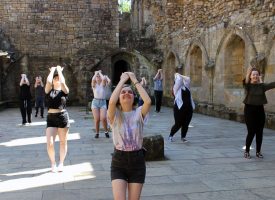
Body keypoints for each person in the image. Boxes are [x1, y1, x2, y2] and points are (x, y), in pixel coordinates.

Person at [107, 72, 151, 200]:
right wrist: (122, 81)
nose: (126, 93)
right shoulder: (114, 115)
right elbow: (111, 102)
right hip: (118, 161)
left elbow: (148, 101)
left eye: (130, 92)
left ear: (134, 98)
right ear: (119, 99)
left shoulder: (138, 113)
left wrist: (133, 79)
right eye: (123, 92)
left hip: (137, 161)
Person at [243, 66, 275, 159]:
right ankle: (247, 151)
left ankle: (258, 152)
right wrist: (250, 70)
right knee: (251, 132)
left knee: (259, 132)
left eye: (257, 75)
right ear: (250, 76)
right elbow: (245, 80)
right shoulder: (248, 85)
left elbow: (272, 85)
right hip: (249, 110)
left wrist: (261, 81)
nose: (255, 76)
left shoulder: (262, 86)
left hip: (260, 110)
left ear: (259, 76)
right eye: (254, 75)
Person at [45, 65, 70, 172]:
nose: (57, 79)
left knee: (63, 142)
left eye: (58, 78)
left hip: (62, 117)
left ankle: (61, 163)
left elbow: (63, 82)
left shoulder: (64, 90)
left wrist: (59, 71)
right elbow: (48, 81)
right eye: (55, 78)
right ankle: (53, 163)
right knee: (50, 143)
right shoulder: (49, 90)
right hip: (51, 117)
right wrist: (52, 71)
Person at [168, 68, 195, 142]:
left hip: (188, 108)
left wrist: (179, 74)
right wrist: (177, 75)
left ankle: (183, 137)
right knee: (178, 123)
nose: (182, 81)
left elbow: (188, 79)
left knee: (186, 123)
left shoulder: (186, 87)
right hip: (179, 108)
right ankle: (171, 135)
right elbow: (179, 80)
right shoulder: (176, 89)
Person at [91, 70, 109, 138]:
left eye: (99, 76)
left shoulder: (103, 84)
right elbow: (93, 79)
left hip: (103, 102)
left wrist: (100, 73)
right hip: (95, 102)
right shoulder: (94, 84)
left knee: (103, 118)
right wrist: (96, 73)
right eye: (97, 77)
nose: (98, 77)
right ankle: (97, 133)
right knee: (97, 119)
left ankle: (106, 131)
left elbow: (104, 78)